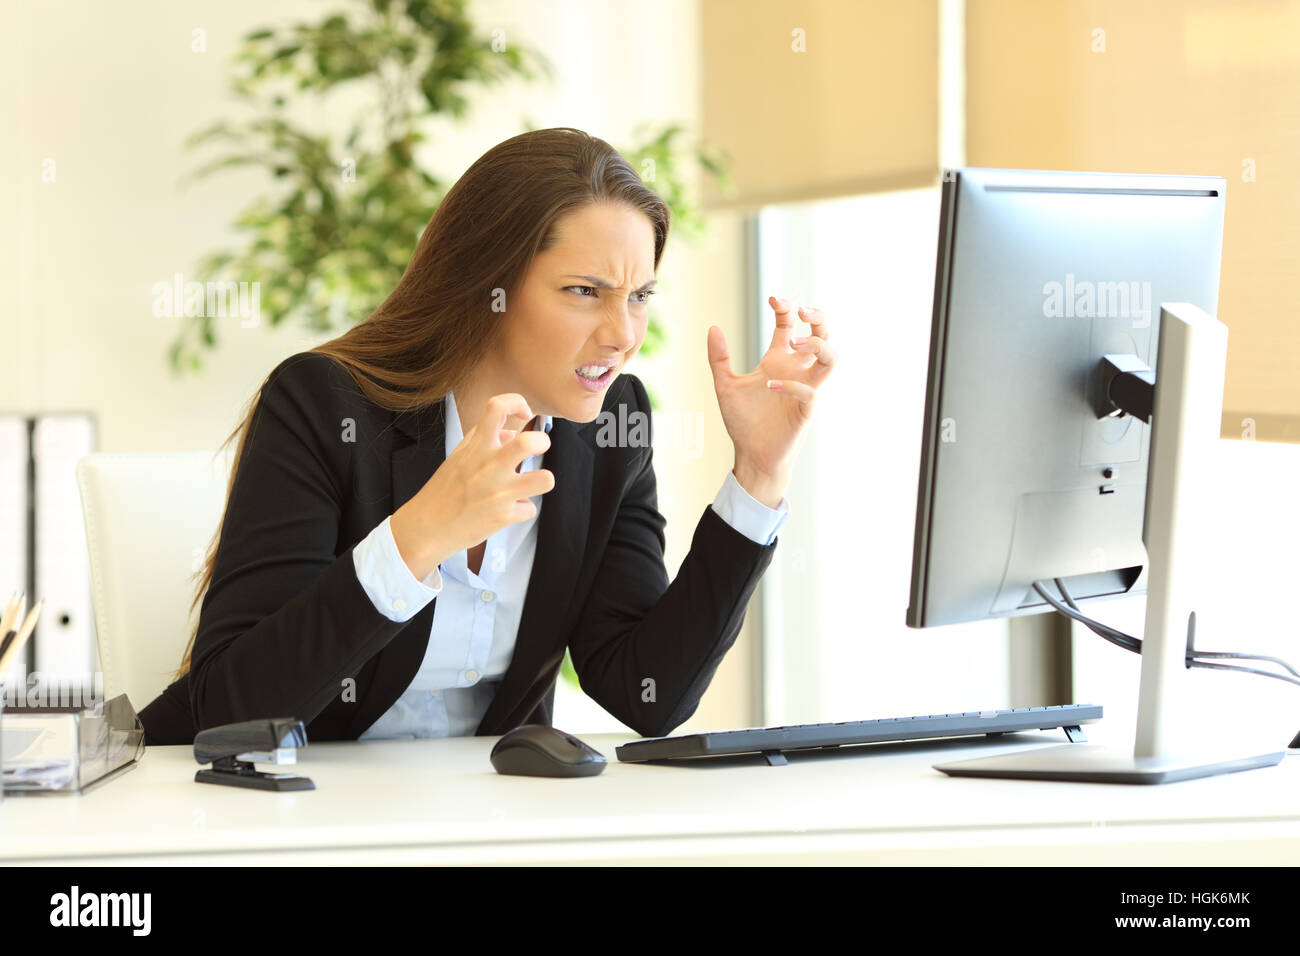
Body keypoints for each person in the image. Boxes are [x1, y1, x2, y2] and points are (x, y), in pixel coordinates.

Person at [139, 127, 835, 745]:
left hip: (483, 828)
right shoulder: (323, 403)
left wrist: (759, 474)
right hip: (279, 822)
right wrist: (419, 536)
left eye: (640, 296)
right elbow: (232, 707)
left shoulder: (612, 426)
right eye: (584, 292)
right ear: (488, 284)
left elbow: (644, 691)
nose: (623, 335)